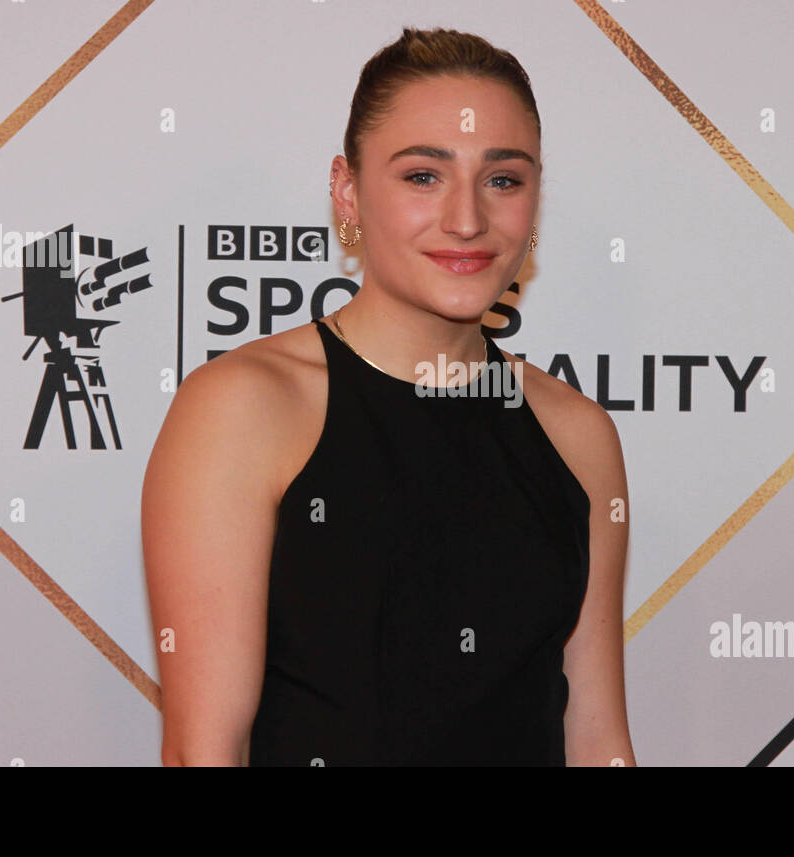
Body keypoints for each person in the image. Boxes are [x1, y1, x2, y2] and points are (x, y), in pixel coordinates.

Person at [142, 26, 634, 765]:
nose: (467, 219)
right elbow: (203, 752)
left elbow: (597, 739)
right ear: (348, 190)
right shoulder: (245, 407)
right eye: (422, 176)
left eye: (503, 178)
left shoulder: (576, 433)